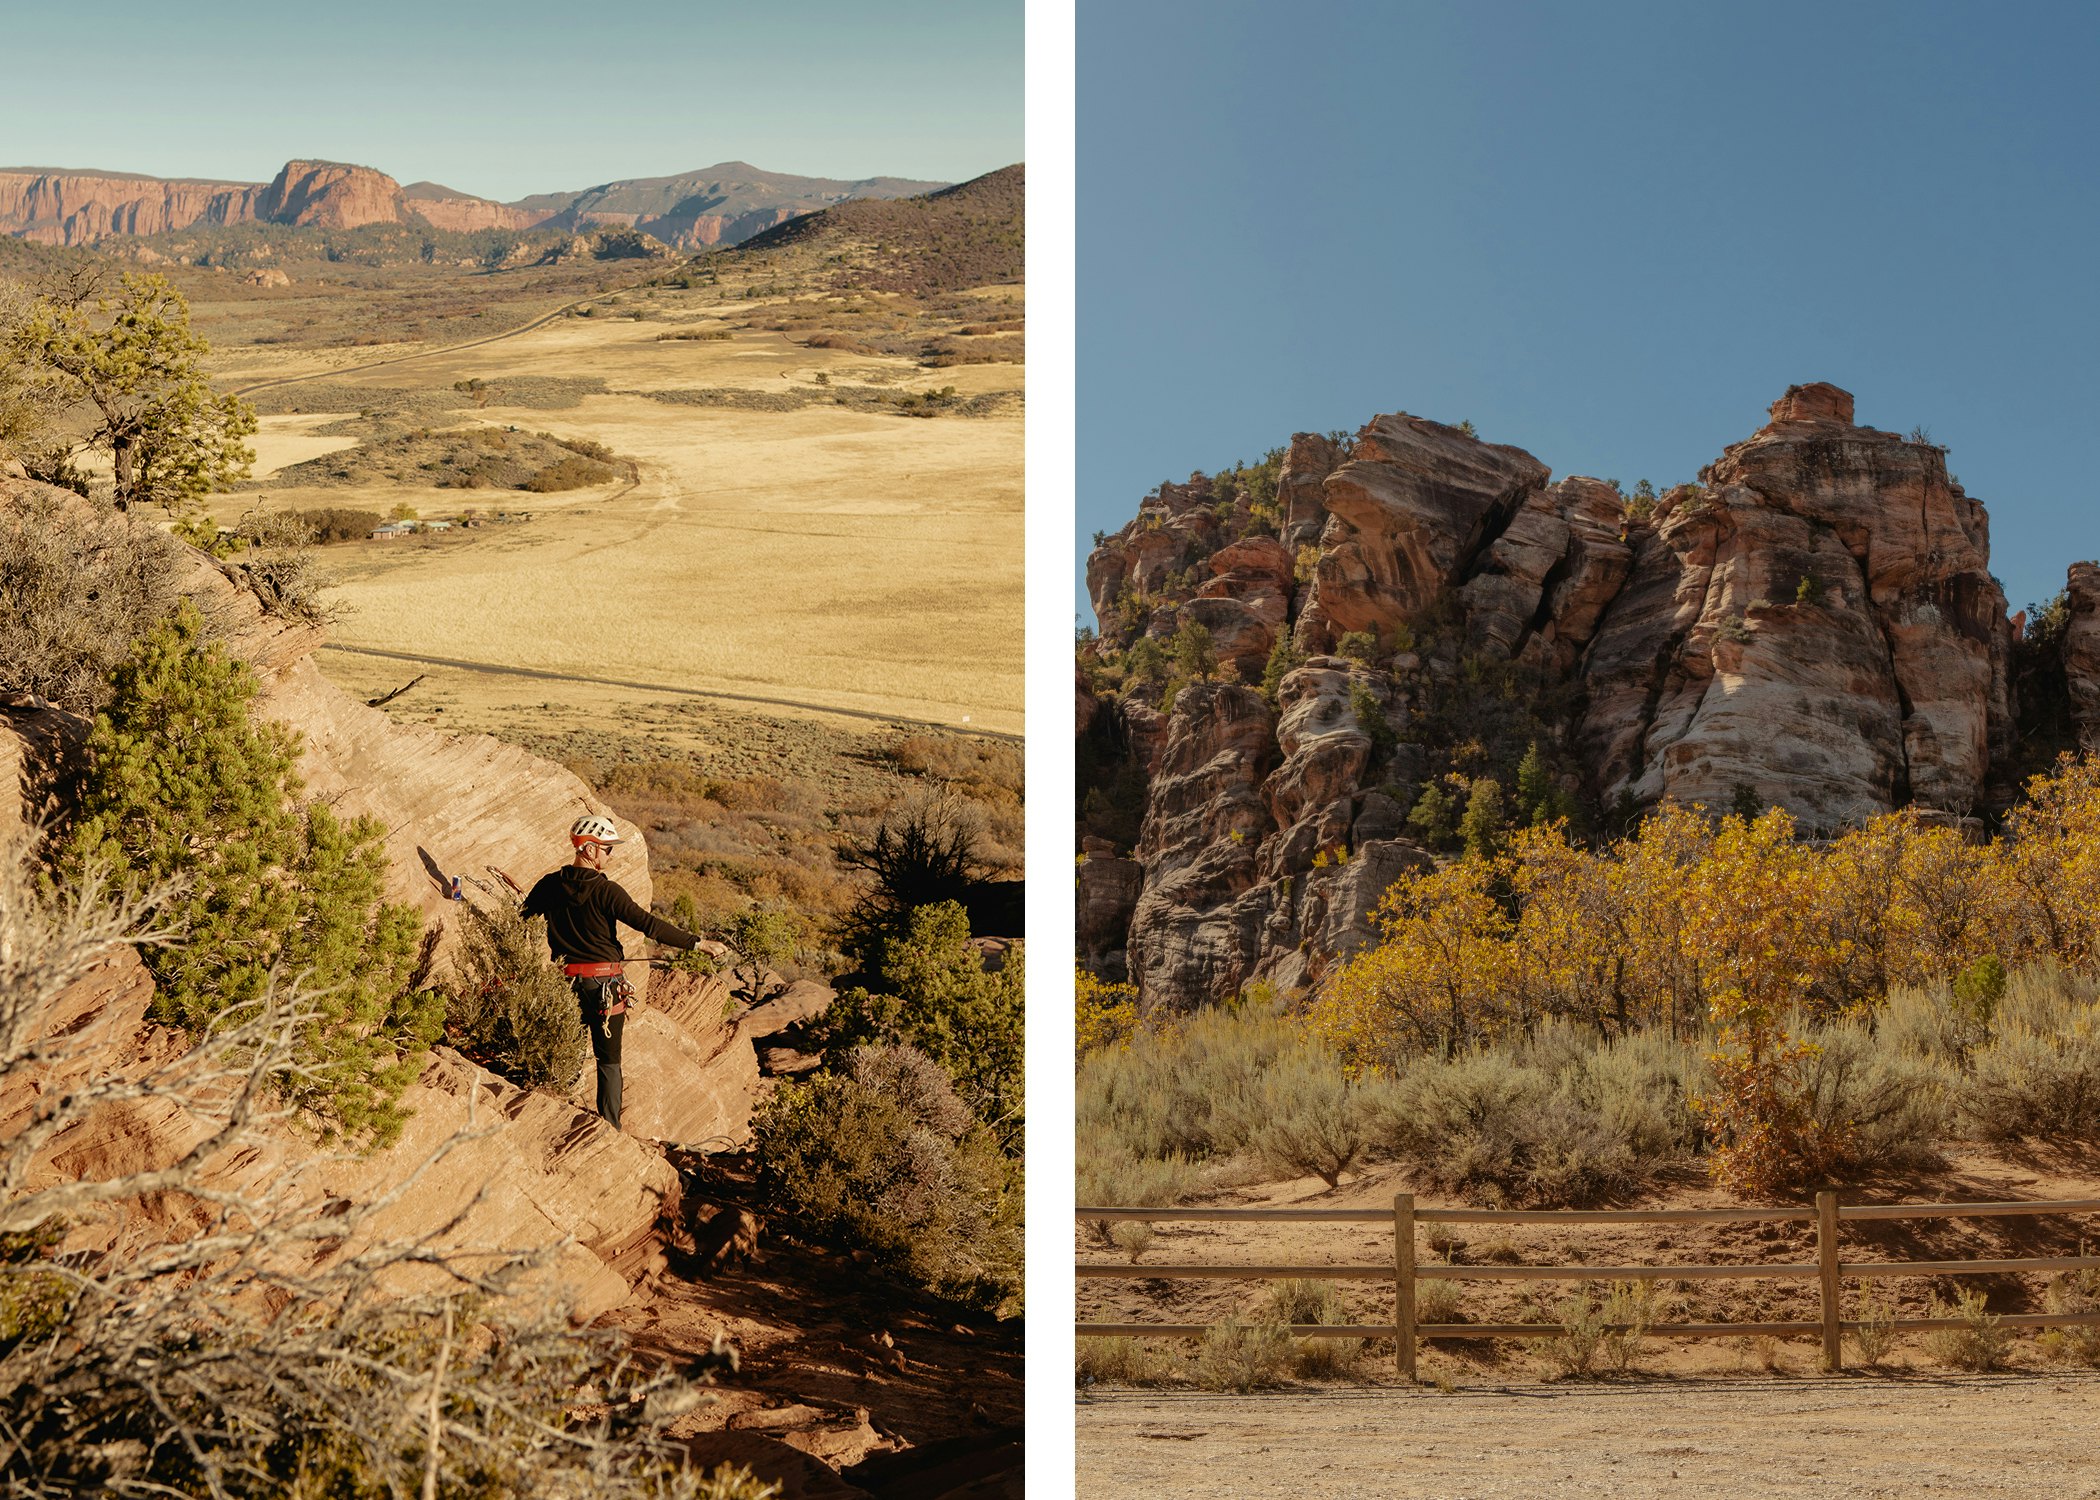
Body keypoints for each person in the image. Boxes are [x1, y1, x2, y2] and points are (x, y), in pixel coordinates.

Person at [522, 814, 703, 1129]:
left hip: (562, 983)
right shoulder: (607, 891)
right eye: (607, 849)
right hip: (604, 986)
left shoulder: (549, 885)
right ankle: (609, 1127)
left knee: (567, 1046)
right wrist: (696, 944)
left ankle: (553, 1107)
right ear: (590, 849)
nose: (610, 855)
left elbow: (520, 917)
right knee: (608, 1061)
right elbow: (648, 925)